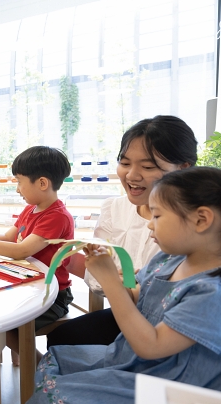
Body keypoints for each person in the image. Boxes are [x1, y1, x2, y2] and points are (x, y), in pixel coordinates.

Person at [28, 167, 221, 404]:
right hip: (133, 359)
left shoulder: (211, 293)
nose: (149, 225)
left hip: (169, 381)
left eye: (157, 216)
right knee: (58, 359)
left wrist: (110, 281)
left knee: (57, 393)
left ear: (201, 220)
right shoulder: (168, 259)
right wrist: (116, 280)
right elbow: (139, 297)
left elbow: (151, 346)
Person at [48, 115, 197, 347]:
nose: (131, 175)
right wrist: (115, 279)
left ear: (183, 168)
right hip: (130, 312)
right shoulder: (114, 209)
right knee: (64, 338)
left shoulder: (195, 228)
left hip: (172, 326)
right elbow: (99, 279)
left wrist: (119, 279)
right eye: (125, 163)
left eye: (148, 167)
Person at [0, 146, 74, 363]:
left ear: (42, 183)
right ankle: (31, 362)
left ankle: (40, 366)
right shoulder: (31, 209)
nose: (17, 189)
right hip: (28, 284)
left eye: (19, 181)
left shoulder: (57, 216)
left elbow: (21, 250)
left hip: (52, 295)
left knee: (3, 325)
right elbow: (9, 237)